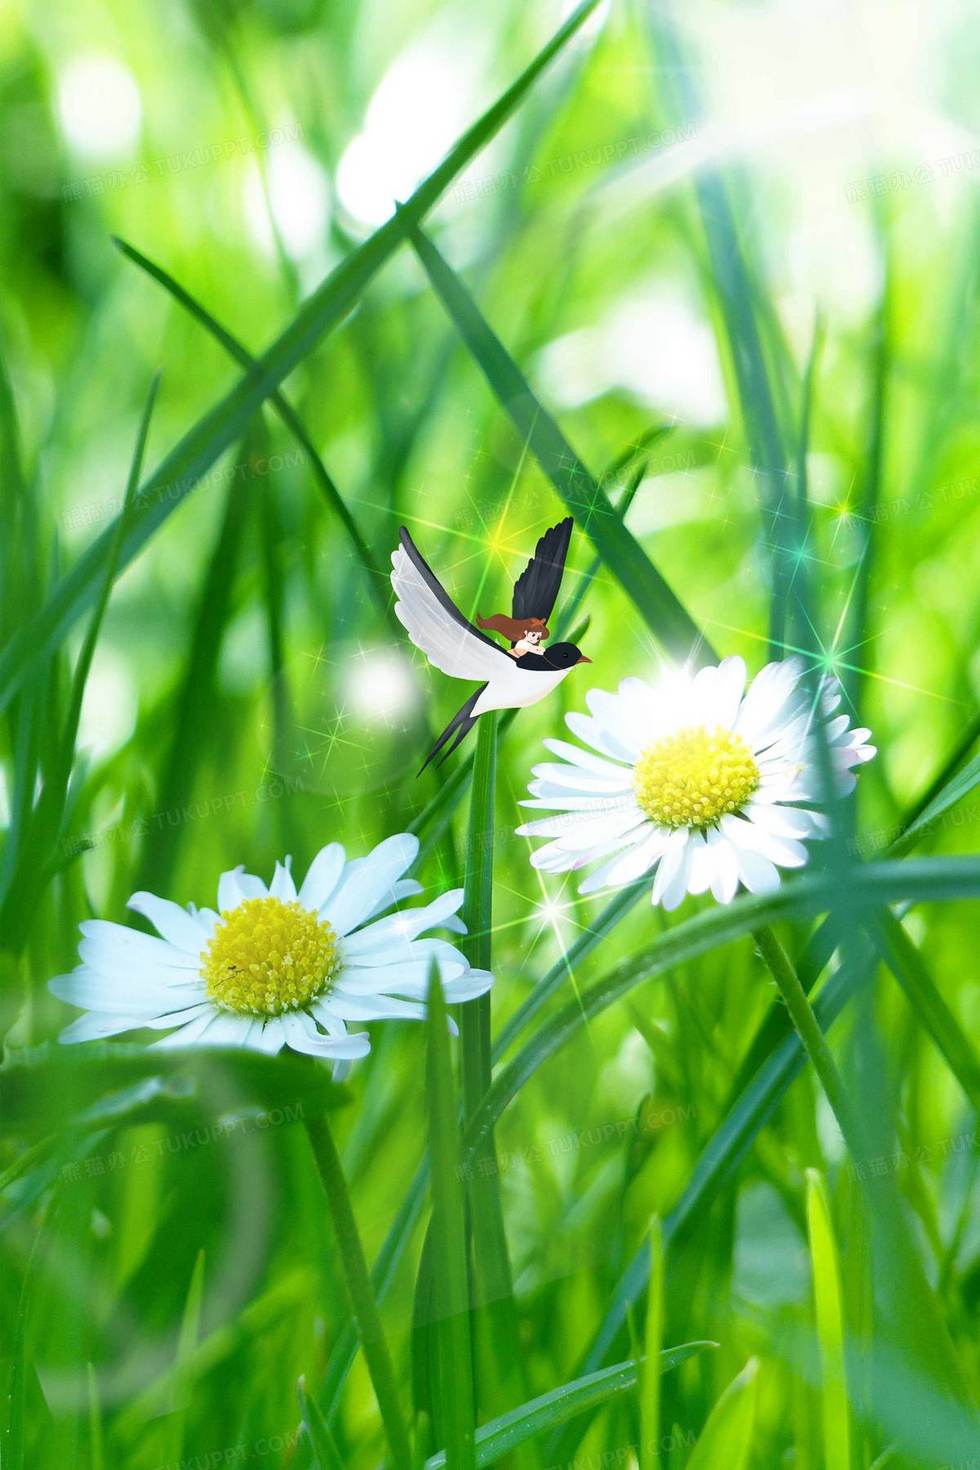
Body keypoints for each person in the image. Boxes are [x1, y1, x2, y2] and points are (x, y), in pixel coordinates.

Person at [476, 612, 549, 658]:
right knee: (499, 619)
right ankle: (483, 623)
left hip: (511, 658)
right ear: (526, 633)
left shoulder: (525, 642)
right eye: (533, 635)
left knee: (499, 619)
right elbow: (533, 649)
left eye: (538, 637)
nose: (535, 638)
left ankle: (483, 624)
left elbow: (535, 649)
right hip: (511, 657)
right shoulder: (523, 642)